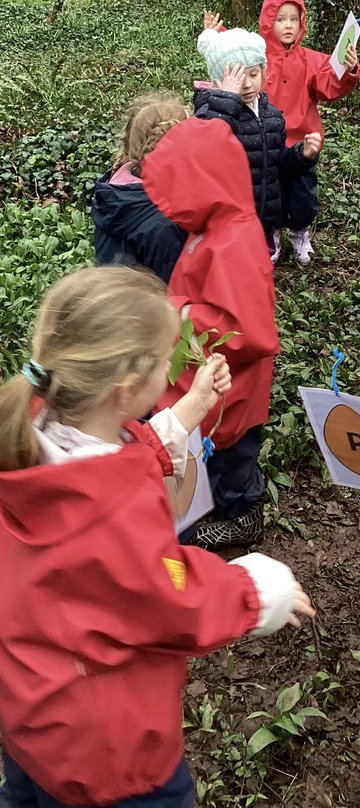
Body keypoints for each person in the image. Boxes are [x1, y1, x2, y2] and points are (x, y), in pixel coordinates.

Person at [0, 264, 314, 808]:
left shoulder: (31, 432)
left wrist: (188, 411)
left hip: (33, 715)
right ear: (129, 388)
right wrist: (254, 591)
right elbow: (169, 595)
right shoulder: (111, 512)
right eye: (164, 359)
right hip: (108, 754)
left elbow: (110, 456)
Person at [143, 116, 280, 550]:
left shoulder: (233, 240)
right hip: (209, 379)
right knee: (216, 454)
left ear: (203, 183)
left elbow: (251, 331)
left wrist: (180, 312)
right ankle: (218, 502)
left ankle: (243, 516)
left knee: (234, 457)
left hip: (231, 389)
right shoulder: (213, 227)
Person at [195, 28, 321, 263]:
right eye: (235, 77)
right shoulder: (211, 112)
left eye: (253, 74)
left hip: (264, 216)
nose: (246, 85)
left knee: (260, 268)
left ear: (264, 72)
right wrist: (227, 100)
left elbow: (276, 163)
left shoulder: (272, 115)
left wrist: (301, 155)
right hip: (229, 223)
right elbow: (209, 145)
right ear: (215, 82)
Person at [257, 0, 360, 265]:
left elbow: (329, 85)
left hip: (303, 145)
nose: (287, 25)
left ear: (302, 22)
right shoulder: (258, 57)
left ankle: (300, 232)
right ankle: (273, 234)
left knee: (302, 195)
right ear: (268, 22)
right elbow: (232, 64)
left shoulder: (313, 60)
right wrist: (214, 36)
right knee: (270, 194)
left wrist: (349, 70)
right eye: (280, 19)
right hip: (267, 143)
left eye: (293, 18)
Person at [92, 94, 189, 284]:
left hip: (110, 304)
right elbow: (173, 291)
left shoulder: (113, 191)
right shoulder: (164, 221)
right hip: (148, 310)